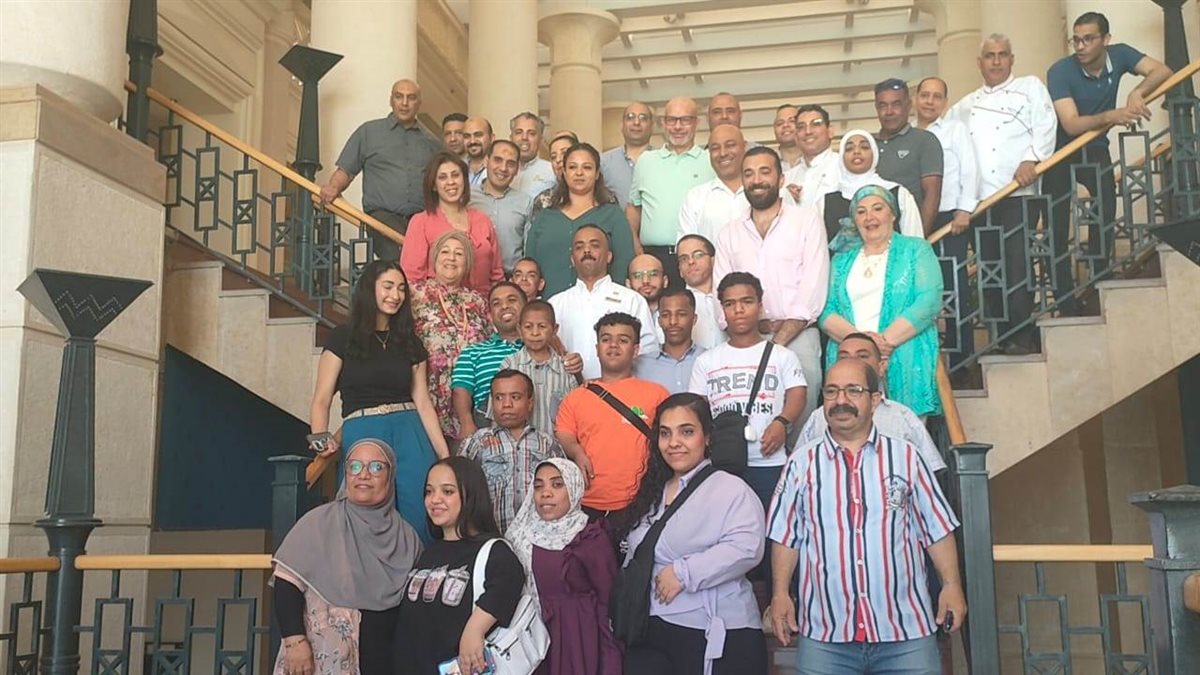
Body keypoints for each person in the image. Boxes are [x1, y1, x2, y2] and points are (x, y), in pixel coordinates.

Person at [767, 359, 965, 675]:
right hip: (826, 637)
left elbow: (936, 529)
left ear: (874, 400)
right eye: (831, 391)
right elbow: (786, 536)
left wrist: (951, 585)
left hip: (905, 635)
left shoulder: (906, 457)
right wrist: (780, 594)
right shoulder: (800, 464)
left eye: (853, 390)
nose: (840, 400)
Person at [615, 394, 768, 675]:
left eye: (686, 432)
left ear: (707, 437)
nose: (674, 442)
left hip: (715, 634)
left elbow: (747, 547)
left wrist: (684, 573)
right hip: (649, 630)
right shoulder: (653, 493)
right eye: (665, 433)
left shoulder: (730, 489)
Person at [310, 261, 449, 540]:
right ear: (369, 289)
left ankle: (422, 568)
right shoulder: (342, 337)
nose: (395, 295)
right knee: (365, 515)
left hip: (410, 430)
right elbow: (321, 399)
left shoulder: (410, 341)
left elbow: (423, 402)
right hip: (363, 430)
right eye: (387, 287)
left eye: (401, 289)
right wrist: (320, 439)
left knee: (420, 512)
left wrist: (445, 456)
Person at [1045, 12, 1172, 312]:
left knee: (1105, 198)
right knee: (1057, 224)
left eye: (1088, 39)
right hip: (1058, 150)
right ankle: (1064, 300)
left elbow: (1163, 70)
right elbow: (1071, 124)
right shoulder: (1060, 70)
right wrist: (1112, 116)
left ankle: (1099, 272)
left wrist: (1138, 91)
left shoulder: (1120, 54)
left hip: (1094, 145)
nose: (1080, 46)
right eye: (1076, 40)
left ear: (1106, 39)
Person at [689, 272, 805, 587]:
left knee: (773, 533)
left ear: (760, 305)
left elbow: (797, 393)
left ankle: (778, 599)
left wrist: (782, 422)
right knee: (727, 536)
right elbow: (698, 411)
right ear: (722, 310)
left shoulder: (782, 356)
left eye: (746, 301)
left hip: (770, 463)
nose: (738, 310)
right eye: (730, 304)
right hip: (724, 466)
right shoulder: (707, 361)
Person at [947, 33, 1057, 354]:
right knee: (989, 269)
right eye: (990, 55)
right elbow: (945, 142)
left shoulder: (1030, 87)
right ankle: (1000, 337)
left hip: (1018, 193)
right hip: (982, 201)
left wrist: (1031, 158)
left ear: (1012, 59)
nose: (996, 61)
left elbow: (1046, 124)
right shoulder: (965, 106)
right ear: (979, 62)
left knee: (1017, 266)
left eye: (1002, 54)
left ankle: (1023, 335)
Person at [273, 439, 423, 675]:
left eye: (376, 467)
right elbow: (285, 585)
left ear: (390, 476)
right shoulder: (318, 523)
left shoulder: (407, 538)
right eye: (354, 466)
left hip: (385, 662)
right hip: (319, 663)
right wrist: (294, 642)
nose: (363, 474)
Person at [713, 147, 828, 427]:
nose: (757, 180)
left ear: (781, 179)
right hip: (746, 340)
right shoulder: (729, 233)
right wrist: (751, 344)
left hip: (799, 337)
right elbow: (721, 295)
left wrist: (777, 344)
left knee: (800, 426)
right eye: (749, 174)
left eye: (765, 172)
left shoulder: (807, 220)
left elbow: (813, 286)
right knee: (752, 426)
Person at [819, 185, 944, 418]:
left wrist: (883, 343)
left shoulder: (916, 249)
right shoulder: (841, 259)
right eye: (861, 211)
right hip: (850, 357)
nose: (869, 217)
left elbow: (929, 299)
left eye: (878, 208)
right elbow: (826, 309)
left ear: (893, 214)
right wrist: (862, 344)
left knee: (904, 431)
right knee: (850, 429)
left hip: (903, 350)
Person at [394, 457, 526, 675]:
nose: (434, 499)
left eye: (447, 491)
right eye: (429, 491)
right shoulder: (428, 552)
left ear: (471, 495)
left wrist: (475, 629)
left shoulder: (494, 551)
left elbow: (509, 582)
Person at [505, 459, 622, 675]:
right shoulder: (520, 535)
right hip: (531, 637)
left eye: (557, 485)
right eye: (538, 486)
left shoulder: (589, 537)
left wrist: (610, 661)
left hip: (576, 637)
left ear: (574, 488)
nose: (545, 493)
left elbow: (608, 602)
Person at [555, 312, 670, 520]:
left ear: (636, 350)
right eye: (606, 339)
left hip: (643, 502)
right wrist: (577, 452)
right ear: (597, 348)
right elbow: (564, 433)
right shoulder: (576, 396)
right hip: (589, 503)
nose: (613, 345)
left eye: (623, 340)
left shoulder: (657, 394)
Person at [319, 79, 441, 261]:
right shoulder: (368, 132)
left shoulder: (432, 142)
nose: (405, 103)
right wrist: (333, 187)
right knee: (401, 259)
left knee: (425, 260)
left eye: (411, 98)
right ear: (391, 100)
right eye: (399, 97)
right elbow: (346, 170)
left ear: (419, 103)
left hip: (421, 220)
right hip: (382, 217)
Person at [796, 333, 946, 473]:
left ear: (881, 367)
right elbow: (798, 468)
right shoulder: (818, 417)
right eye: (844, 357)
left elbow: (931, 471)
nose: (852, 362)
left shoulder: (903, 417)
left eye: (862, 356)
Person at [914, 76, 980, 378]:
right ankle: (925, 362)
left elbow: (969, 169)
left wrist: (965, 209)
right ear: (916, 99)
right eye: (925, 95)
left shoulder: (955, 130)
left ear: (945, 102)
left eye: (937, 96)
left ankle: (962, 359)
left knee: (954, 288)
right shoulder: (907, 134)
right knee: (918, 291)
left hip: (949, 221)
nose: (930, 101)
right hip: (915, 222)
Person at [526, 143, 638, 298]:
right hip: (549, 306)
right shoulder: (544, 217)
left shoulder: (613, 215)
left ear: (597, 173)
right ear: (564, 172)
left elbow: (624, 264)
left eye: (587, 167)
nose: (579, 173)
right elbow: (530, 266)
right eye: (572, 167)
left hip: (603, 306)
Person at [411, 231, 492, 444]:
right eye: (445, 252)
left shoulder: (478, 301)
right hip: (428, 400)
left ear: (468, 262)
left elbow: (493, 341)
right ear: (435, 258)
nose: (451, 258)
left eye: (459, 253)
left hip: (471, 402)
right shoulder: (415, 295)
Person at [459, 370, 564, 532]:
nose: (506, 404)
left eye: (515, 397)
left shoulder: (546, 444)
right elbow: (460, 488)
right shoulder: (478, 442)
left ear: (530, 403)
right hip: (490, 536)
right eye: (499, 397)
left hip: (538, 537)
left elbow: (563, 492)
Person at [549, 225, 659, 379]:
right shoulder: (555, 304)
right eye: (579, 247)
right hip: (567, 390)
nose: (587, 251)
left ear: (609, 256)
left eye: (594, 245)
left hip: (619, 389)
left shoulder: (632, 300)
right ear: (572, 259)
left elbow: (648, 354)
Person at [628, 96, 716, 286]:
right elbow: (634, 208)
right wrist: (638, 252)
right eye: (672, 120)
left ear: (697, 123)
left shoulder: (710, 161)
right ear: (663, 123)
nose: (677, 127)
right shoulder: (646, 161)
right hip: (654, 259)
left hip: (698, 261)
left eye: (685, 120)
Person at [400, 152, 504, 296]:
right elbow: (411, 278)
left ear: (464, 180)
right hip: (438, 305)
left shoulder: (483, 220)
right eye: (443, 177)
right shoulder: (421, 222)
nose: (451, 182)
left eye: (455, 175)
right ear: (434, 185)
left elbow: (497, 275)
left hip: (483, 305)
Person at [820, 130, 925, 243]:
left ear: (874, 153)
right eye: (849, 149)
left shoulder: (898, 194)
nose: (856, 152)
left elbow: (915, 242)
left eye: (864, 147)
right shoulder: (825, 200)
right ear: (841, 156)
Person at [451, 282, 527, 438]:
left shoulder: (539, 348)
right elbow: (461, 390)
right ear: (490, 316)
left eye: (512, 300)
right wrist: (466, 423)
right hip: (487, 428)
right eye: (496, 303)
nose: (504, 306)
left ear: (527, 307)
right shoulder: (473, 352)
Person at [873, 78, 944, 234]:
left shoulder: (925, 140)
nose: (889, 111)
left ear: (908, 105)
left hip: (908, 232)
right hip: (873, 236)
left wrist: (917, 240)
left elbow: (932, 195)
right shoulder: (868, 145)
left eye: (896, 104)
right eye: (883, 105)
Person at [501, 301, 581, 434]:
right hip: (517, 444)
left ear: (554, 329)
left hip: (556, 444)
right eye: (528, 327)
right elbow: (497, 413)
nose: (535, 333)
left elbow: (577, 414)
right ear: (519, 330)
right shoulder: (509, 365)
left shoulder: (565, 369)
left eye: (542, 326)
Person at [470, 140, 534, 274]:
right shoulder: (468, 197)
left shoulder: (525, 202)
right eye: (498, 160)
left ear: (517, 169)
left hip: (510, 279)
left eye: (510, 164)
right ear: (486, 161)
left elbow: (528, 249)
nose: (503, 168)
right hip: (472, 277)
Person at [677, 124, 749, 241]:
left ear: (744, 147)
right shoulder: (695, 198)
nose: (723, 153)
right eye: (715, 148)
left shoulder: (764, 191)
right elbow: (687, 247)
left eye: (730, 145)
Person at [635, 287, 704, 394]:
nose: (673, 322)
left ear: (694, 319)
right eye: (665, 315)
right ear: (659, 321)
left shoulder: (709, 360)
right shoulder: (639, 365)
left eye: (681, 314)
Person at [782, 105, 841, 209]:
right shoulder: (787, 178)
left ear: (830, 131)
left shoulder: (843, 167)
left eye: (816, 124)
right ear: (796, 137)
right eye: (801, 127)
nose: (808, 131)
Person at [600, 102, 655, 210]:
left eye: (643, 118)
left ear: (652, 126)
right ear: (622, 125)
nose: (636, 122)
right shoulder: (604, 162)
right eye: (630, 117)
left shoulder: (663, 160)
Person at [676, 234, 724, 349]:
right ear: (680, 270)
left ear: (713, 260)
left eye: (698, 255)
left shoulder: (731, 297)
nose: (691, 261)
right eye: (684, 259)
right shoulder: (674, 304)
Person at [531, 131, 591, 220]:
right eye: (553, 157)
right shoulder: (544, 200)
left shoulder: (602, 198)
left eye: (564, 153)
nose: (558, 160)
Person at [511, 112, 557, 197]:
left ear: (540, 139)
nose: (524, 137)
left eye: (531, 133)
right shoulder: (499, 171)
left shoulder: (552, 171)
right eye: (519, 132)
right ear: (511, 137)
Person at [628, 253, 668, 334]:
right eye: (638, 275)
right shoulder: (621, 313)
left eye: (653, 274)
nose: (645, 281)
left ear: (665, 281)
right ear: (628, 284)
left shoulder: (677, 314)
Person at [463, 116, 494, 188]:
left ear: (492, 138)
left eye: (478, 135)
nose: (472, 141)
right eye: (467, 136)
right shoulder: (458, 166)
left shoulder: (500, 168)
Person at [773, 104, 802, 171]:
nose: (785, 125)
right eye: (780, 123)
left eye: (792, 121)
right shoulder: (768, 160)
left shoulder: (815, 158)